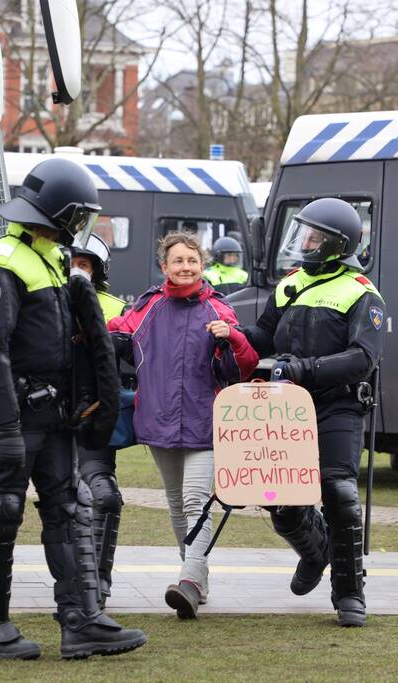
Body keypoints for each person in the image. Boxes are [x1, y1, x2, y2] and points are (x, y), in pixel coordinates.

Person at [0, 157, 147, 660]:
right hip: (17, 414)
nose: (82, 225)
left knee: (70, 509)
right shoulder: (1, 262)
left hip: (55, 413)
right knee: (2, 510)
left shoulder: (52, 257)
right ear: (60, 213)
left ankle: (82, 619)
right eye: (80, 215)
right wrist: (2, 428)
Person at [242, 197, 385, 628]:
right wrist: (230, 336)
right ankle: (315, 551)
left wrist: (306, 369)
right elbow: (264, 336)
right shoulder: (290, 284)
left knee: (338, 492)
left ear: (335, 245)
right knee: (279, 495)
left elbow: (363, 357)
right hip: (288, 407)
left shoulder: (363, 295)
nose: (303, 242)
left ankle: (349, 593)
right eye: (302, 233)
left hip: (337, 404)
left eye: (312, 236)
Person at [108, 232, 258, 619]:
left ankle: (189, 578)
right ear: (165, 267)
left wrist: (234, 339)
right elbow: (116, 332)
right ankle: (196, 576)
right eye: (177, 261)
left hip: (204, 423)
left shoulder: (220, 311)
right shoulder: (148, 307)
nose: (185, 267)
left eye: (192, 260)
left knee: (195, 499)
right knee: (176, 504)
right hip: (158, 421)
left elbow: (244, 365)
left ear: (202, 265)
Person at [69, 233, 129, 608]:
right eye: (72, 262)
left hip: (91, 421)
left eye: (85, 264)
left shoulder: (117, 309)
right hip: (46, 418)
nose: (77, 270)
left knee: (104, 497)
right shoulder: (41, 299)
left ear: (98, 270)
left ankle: (96, 586)